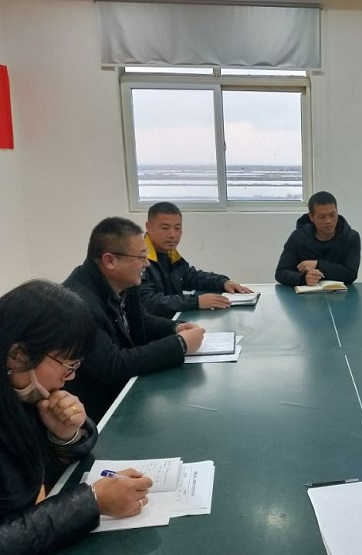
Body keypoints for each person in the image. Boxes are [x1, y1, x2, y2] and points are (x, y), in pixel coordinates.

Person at [0, 280, 153, 554]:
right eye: (68, 364)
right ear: (18, 356)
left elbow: (39, 472)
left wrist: (65, 435)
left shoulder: (22, 393)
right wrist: (92, 503)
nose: (70, 377)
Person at [63, 217, 205, 422]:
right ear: (110, 261)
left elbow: (140, 320)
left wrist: (176, 328)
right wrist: (179, 345)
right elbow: (112, 365)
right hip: (98, 413)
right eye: (141, 257)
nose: (146, 263)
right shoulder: (80, 305)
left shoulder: (121, 283)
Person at [139, 202, 253, 318]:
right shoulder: (139, 260)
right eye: (165, 228)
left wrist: (223, 282)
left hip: (173, 323)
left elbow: (191, 277)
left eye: (177, 228)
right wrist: (196, 302)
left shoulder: (170, 254)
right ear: (149, 227)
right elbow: (148, 302)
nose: (172, 234)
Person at [275, 191, 361, 286]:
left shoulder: (351, 237)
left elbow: (351, 274)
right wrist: (303, 278)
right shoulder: (298, 237)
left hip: (340, 292)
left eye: (332, 215)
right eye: (322, 217)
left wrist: (318, 265)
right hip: (306, 293)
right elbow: (281, 273)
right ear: (311, 217)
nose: (328, 221)